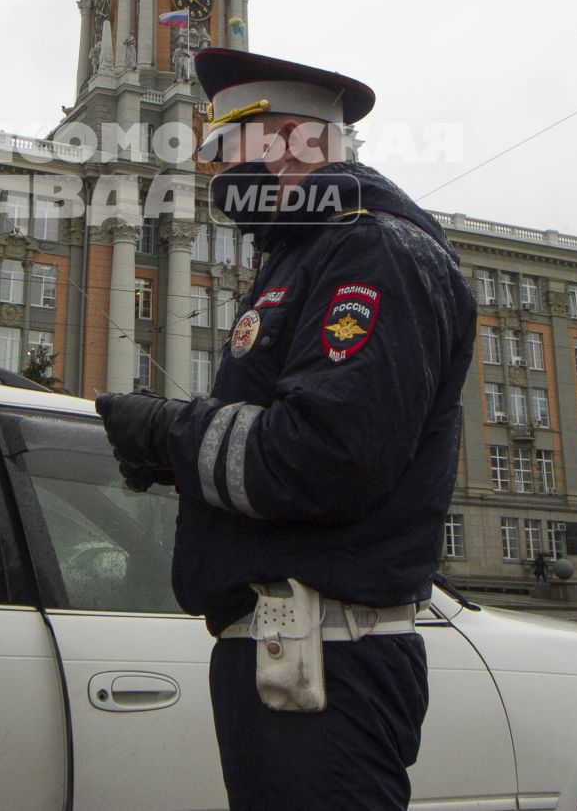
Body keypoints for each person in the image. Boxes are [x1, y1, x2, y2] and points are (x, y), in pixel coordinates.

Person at [96, 46, 475, 811]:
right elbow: (280, 442)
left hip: (326, 654)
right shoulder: (305, 254)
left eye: (222, 146)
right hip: (288, 652)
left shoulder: (371, 248)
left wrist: (170, 433)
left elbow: (330, 453)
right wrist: (173, 455)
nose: (210, 168)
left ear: (290, 141)